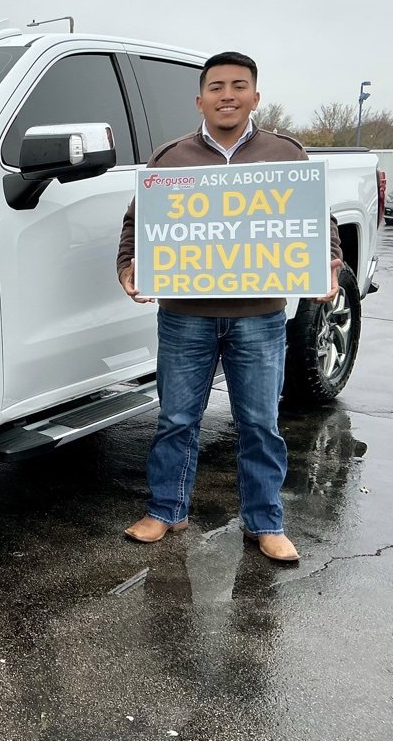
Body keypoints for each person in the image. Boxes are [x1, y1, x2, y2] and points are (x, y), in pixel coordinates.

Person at [115, 51, 342, 563]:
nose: (227, 95)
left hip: (258, 316)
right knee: (176, 419)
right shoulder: (169, 158)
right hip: (184, 316)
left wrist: (328, 260)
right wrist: (130, 266)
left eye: (239, 85)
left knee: (260, 423)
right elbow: (137, 225)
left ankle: (265, 522)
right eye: (216, 86)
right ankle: (165, 511)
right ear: (200, 99)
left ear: (256, 97)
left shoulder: (286, 154)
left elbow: (316, 222)